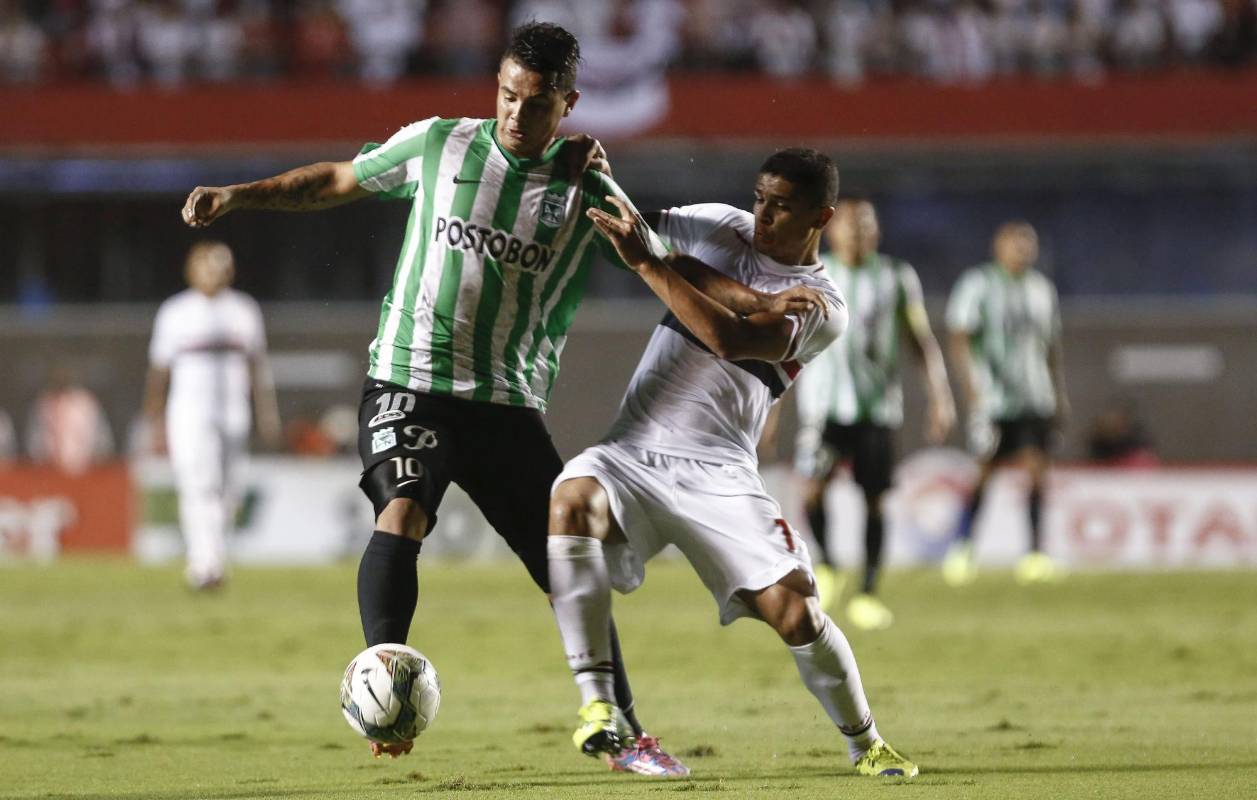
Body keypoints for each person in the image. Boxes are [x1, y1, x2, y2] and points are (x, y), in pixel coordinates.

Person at [180, 22, 686, 772]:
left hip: (505, 401)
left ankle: (620, 730)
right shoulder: (440, 143)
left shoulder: (585, 185)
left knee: (566, 565)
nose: (516, 114)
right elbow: (337, 180)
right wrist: (240, 195)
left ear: (568, 104)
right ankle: (383, 685)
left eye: (537, 103)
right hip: (408, 380)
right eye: (507, 95)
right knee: (403, 509)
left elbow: (659, 265)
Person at [546, 148, 918, 778]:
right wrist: (593, 175)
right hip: (633, 448)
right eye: (760, 196)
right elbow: (628, 220)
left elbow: (732, 338)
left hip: (719, 470)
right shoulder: (722, 225)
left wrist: (655, 266)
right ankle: (600, 707)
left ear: (820, 216)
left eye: (782, 205)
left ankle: (866, 742)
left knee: (795, 611)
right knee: (571, 496)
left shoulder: (823, 306)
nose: (763, 214)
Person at [792, 198, 954, 630]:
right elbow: (785, 343)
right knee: (811, 490)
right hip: (823, 407)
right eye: (850, 226)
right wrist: (768, 405)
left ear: (876, 233)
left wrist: (940, 396)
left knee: (875, 501)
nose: (858, 233)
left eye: (866, 226)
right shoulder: (813, 275)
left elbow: (920, 339)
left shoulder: (897, 278)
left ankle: (867, 592)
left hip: (877, 408)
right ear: (832, 230)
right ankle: (826, 564)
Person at [143, 241, 280, 590]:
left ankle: (214, 557)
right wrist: (152, 416)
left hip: (233, 409)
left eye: (221, 265)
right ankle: (204, 564)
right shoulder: (175, 311)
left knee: (228, 491)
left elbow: (258, 368)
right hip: (189, 410)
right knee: (197, 484)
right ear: (192, 269)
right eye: (207, 265)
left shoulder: (243, 309)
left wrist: (267, 414)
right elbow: (159, 370)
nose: (215, 272)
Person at [942, 221, 1069, 586]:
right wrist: (972, 391)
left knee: (1036, 473)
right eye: (1015, 244)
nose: (1022, 251)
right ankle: (963, 548)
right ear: (998, 247)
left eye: (1028, 245)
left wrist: (1060, 394)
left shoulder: (1041, 289)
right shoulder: (978, 284)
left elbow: (1051, 347)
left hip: (1035, 396)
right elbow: (960, 338)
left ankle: (1034, 554)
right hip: (994, 401)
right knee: (983, 472)